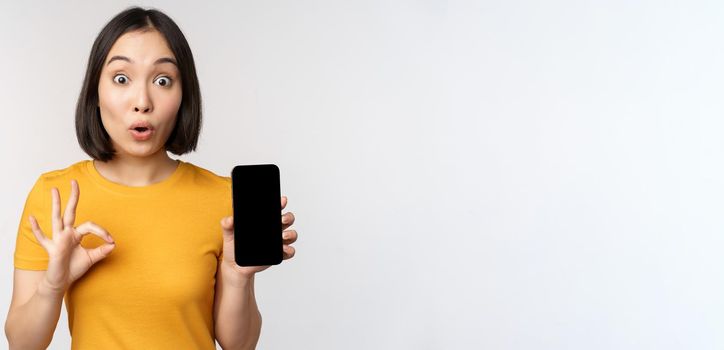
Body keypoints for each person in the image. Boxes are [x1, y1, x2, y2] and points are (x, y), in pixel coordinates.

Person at [4, 6, 298, 350]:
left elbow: (240, 345)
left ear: (183, 95)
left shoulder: (223, 198)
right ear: (95, 94)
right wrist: (52, 286)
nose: (142, 101)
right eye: (121, 78)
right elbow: (22, 345)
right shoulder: (54, 196)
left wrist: (237, 276)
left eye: (162, 81)